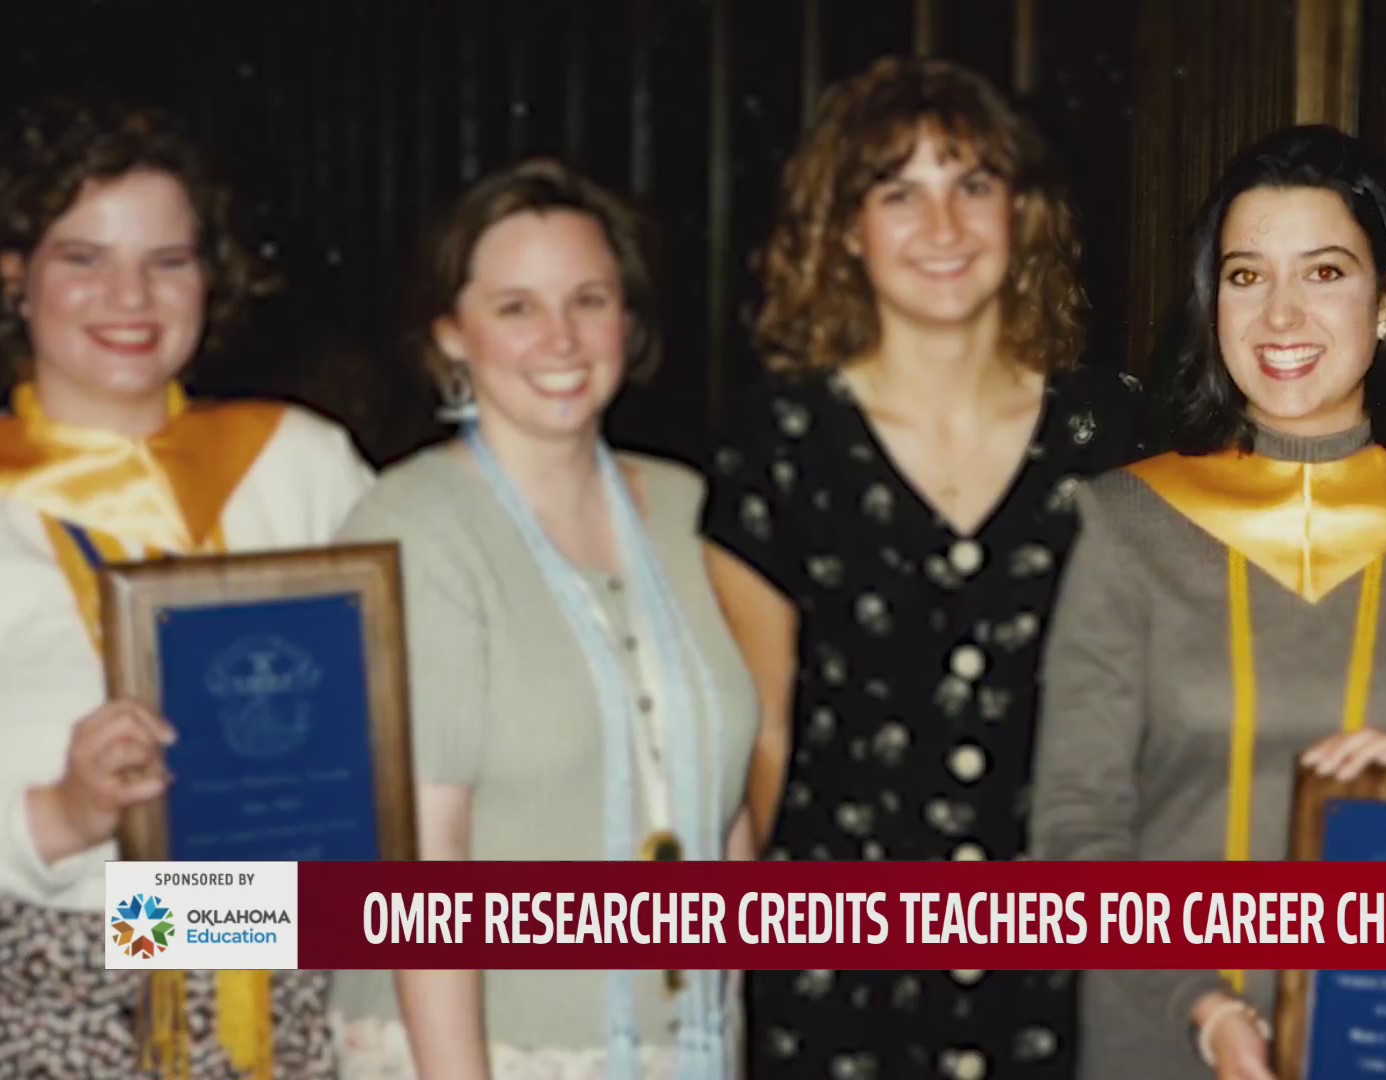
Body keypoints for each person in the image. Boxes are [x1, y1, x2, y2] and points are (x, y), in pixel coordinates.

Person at [1030, 125, 1386, 1080]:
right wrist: (1202, 1006)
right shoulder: (1119, 523)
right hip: (1164, 1040)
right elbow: (1072, 835)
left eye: (1325, 272)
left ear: (1385, 301)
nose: (1280, 315)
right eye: (1246, 277)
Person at [700, 55, 1145, 1080]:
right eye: (899, 193)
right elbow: (761, 730)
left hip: (1057, 958)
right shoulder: (782, 440)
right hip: (838, 963)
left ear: (1023, 214)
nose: (942, 228)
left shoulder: (1111, 431)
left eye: (973, 186)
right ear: (844, 230)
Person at [327, 159, 757, 1079]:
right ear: (451, 335)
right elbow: (421, 863)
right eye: (516, 307)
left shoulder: (694, 508)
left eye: (589, 299)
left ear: (628, 321)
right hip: (487, 1049)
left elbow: (725, 811)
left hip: (681, 1045)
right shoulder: (411, 524)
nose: (560, 337)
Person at [0, 102, 370, 1077]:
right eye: (84, 258)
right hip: (51, 981)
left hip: (283, 968)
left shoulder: (301, 463)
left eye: (169, 260)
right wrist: (65, 813)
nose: (131, 295)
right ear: (16, 278)